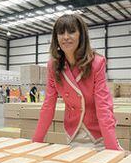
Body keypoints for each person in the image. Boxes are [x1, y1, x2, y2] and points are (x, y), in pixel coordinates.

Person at [32, 14, 122, 151]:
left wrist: (113, 149)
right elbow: (48, 106)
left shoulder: (97, 63)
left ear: (81, 35)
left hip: (98, 134)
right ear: (56, 38)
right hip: (73, 132)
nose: (66, 37)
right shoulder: (53, 66)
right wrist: (35, 142)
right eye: (61, 33)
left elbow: (104, 107)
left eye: (72, 31)